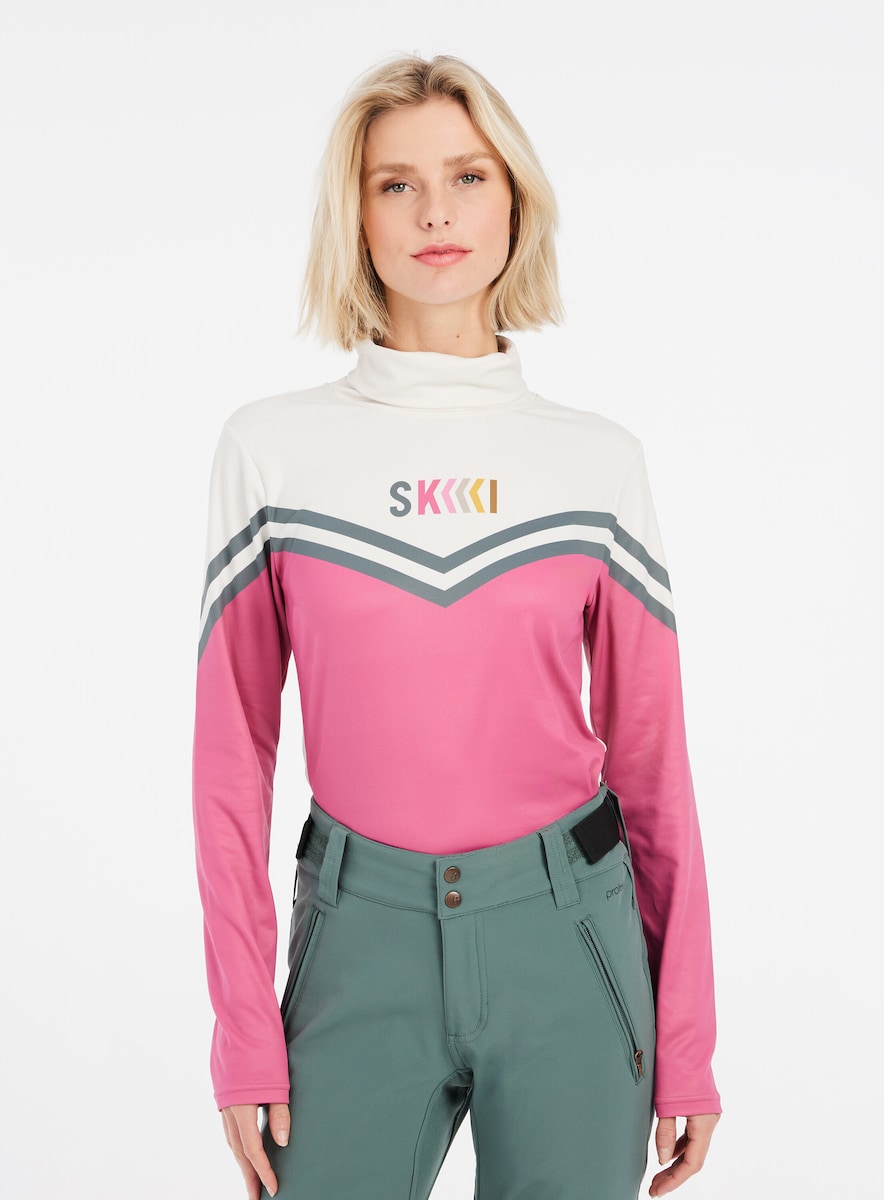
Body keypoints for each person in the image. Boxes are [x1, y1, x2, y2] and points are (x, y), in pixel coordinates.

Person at [192, 53, 721, 1200]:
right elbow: (232, 762)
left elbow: (652, 765)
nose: (436, 212)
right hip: (356, 942)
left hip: (570, 944)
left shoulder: (598, 463)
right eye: (397, 184)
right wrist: (242, 1032)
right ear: (356, 218)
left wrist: (687, 1037)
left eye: (469, 176)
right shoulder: (271, 451)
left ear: (515, 201)